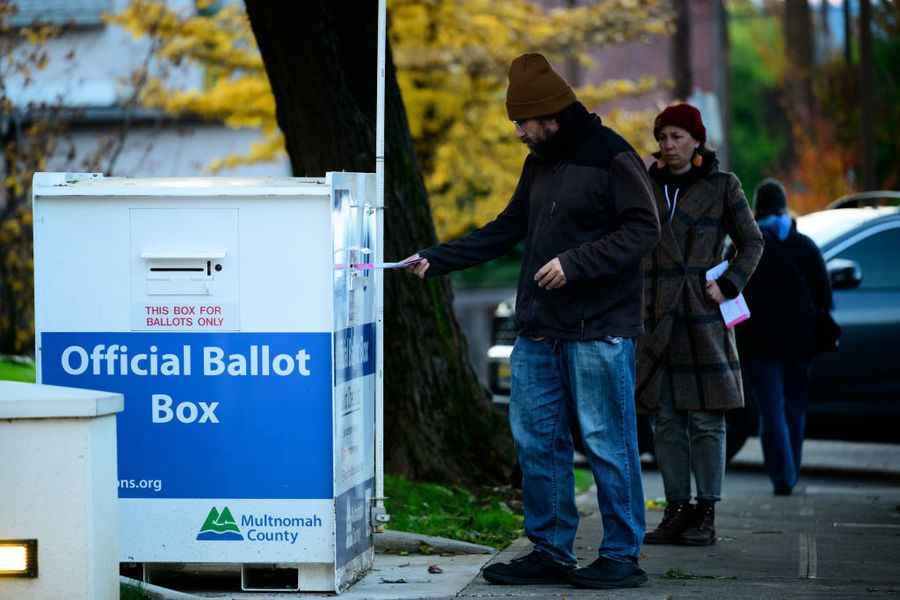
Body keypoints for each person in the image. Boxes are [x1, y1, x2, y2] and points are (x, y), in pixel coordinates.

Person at [404, 53, 659, 589]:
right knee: (536, 441)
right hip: (540, 330)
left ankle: (621, 554)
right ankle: (550, 549)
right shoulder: (539, 162)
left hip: (599, 330)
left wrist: (574, 264)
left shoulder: (613, 156)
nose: (518, 132)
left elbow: (643, 229)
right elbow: (508, 227)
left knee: (607, 442)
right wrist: (439, 257)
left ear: (550, 115)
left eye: (522, 122)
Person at [636, 103, 763, 546]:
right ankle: (676, 509)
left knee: (707, 419)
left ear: (696, 140)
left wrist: (729, 284)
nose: (668, 146)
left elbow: (752, 241)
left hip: (702, 315)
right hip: (655, 317)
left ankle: (706, 511)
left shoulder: (722, 185)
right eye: (663, 137)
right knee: (665, 419)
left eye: (676, 137)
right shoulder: (646, 186)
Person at [737, 179, 833, 496]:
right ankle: (792, 471)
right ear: (783, 206)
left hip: (758, 344)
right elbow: (825, 298)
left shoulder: (746, 247)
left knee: (771, 410)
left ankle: (783, 477)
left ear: (757, 208)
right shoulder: (805, 245)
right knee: (795, 407)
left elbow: (731, 293)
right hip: (801, 343)